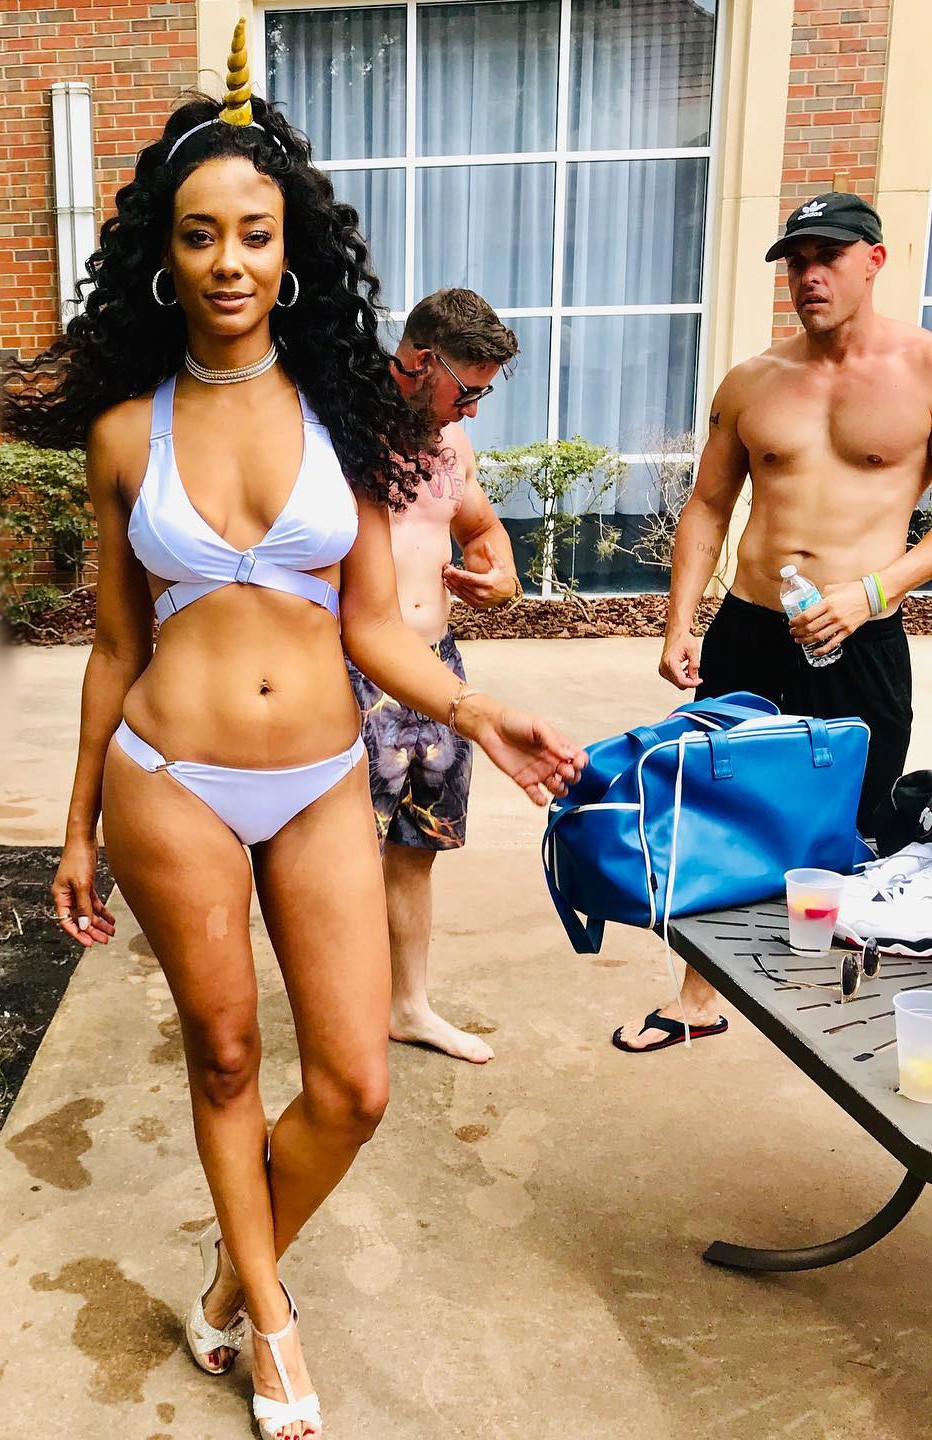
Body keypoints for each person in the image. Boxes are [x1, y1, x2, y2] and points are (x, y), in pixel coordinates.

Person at [2, 25, 587, 1439]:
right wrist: (76, 827)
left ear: (291, 253)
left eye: (254, 235)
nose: (228, 262)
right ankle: (269, 1317)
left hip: (325, 775)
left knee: (355, 1085)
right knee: (223, 1060)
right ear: (166, 255)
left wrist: (477, 709)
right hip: (169, 780)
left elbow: (373, 624)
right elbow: (117, 646)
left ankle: (227, 1268)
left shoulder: (346, 414)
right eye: (199, 235)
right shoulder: (127, 432)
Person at [615, 191, 932, 1056]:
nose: (808, 275)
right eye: (796, 260)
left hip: (859, 636)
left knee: (854, 818)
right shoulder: (753, 380)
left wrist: (873, 590)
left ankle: (846, 1006)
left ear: (875, 259)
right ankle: (697, 998)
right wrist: (681, 622)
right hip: (750, 627)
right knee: (720, 803)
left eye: (827, 256)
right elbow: (707, 505)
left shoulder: (923, 371)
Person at [346, 288, 521, 1065]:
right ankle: (343, 1011)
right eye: (467, 389)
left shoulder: (453, 444)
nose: (473, 409)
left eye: (484, 393)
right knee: (340, 857)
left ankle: (408, 1007)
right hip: (351, 672)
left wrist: (501, 576)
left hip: (437, 667)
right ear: (420, 360)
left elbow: (480, 527)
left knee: (418, 846)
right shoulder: (344, 435)